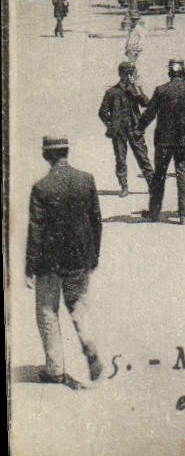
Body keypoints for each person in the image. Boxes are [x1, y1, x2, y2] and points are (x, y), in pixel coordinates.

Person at [25, 135, 104, 388]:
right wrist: (94, 256)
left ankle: (56, 370)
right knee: (78, 306)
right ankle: (89, 346)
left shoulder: (41, 187)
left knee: (47, 312)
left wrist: (29, 268)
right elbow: (96, 222)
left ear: (46, 155)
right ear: (67, 152)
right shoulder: (86, 180)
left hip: (49, 262)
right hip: (80, 258)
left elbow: (35, 230)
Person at [139, 59, 185, 224]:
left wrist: (139, 128)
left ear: (170, 73)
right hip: (184, 140)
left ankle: (154, 212)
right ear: (183, 73)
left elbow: (150, 113)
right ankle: (184, 215)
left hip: (164, 141)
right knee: (183, 174)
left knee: (159, 175)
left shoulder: (161, 90)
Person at [98, 61, 153, 197]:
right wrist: (110, 126)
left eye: (131, 73)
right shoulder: (112, 92)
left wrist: (137, 89)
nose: (128, 76)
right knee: (121, 159)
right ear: (120, 74)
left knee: (142, 157)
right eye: (126, 73)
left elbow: (146, 104)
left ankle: (153, 185)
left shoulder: (135, 90)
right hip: (119, 130)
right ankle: (124, 187)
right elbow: (102, 112)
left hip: (135, 129)